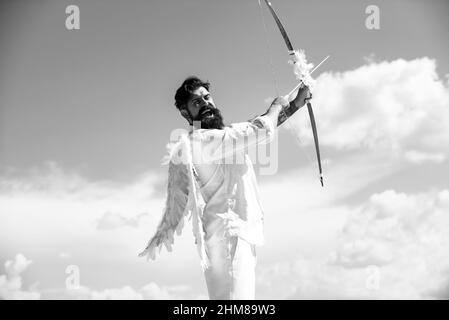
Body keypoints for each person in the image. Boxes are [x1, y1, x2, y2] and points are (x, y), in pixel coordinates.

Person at [139, 76, 310, 299]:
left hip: (233, 236)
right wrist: (277, 105)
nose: (205, 103)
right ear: (185, 113)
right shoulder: (201, 140)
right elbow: (260, 129)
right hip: (229, 238)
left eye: (207, 97)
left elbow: (257, 127)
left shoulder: (220, 138)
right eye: (197, 103)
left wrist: (296, 103)